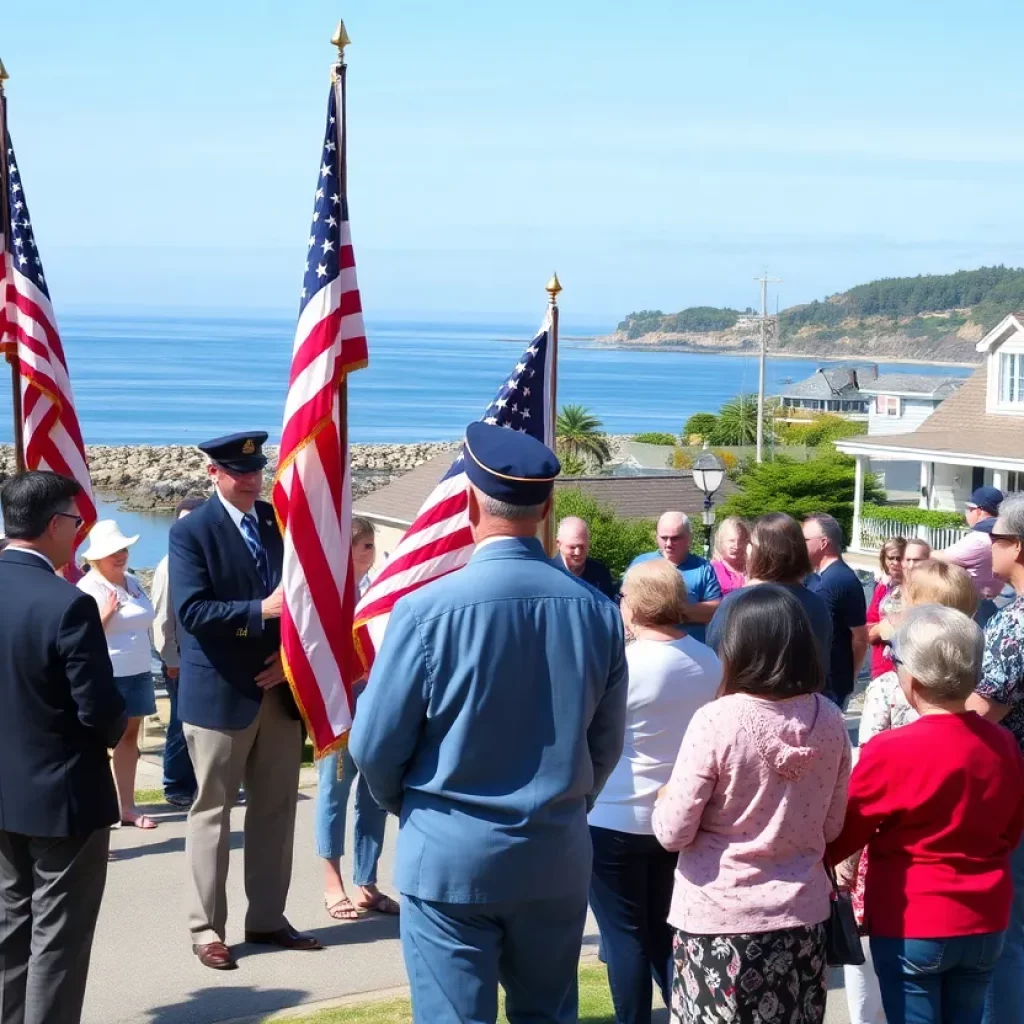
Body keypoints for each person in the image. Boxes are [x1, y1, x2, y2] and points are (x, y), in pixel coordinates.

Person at [350, 422, 628, 1024]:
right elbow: (605, 745)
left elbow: (373, 745)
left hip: (449, 851)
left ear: (470, 501)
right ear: (549, 507)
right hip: (553, 851)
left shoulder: (424, 611)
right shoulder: (599, 614)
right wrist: (565, 804)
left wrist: (412, 805)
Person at [653, 585, 850, 1024]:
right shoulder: (832, 720)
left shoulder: (717, 720)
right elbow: (832, 824)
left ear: (737, 646)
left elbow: (672, 832)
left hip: (719, 920)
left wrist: (665, 797)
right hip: (802, 917)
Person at [169, 432, 320, 971]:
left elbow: (306, 600)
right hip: (219, 696)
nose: (253, 479)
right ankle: (206, 929)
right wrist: (262, 610)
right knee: (211, 814)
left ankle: (268, 917)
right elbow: (192, 613)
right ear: (214, 474)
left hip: (277, 692)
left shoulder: (277, 524)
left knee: (276, 812)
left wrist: (290, 661)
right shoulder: (192, 532)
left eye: (258, 469)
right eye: (240, 471)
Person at [830, 605, 1024, 1024]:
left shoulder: (892, 750)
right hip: (986, 916)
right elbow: (1011, 829)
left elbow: (845, 833)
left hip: (913, 919)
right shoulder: (1004, 745)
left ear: (911, 679)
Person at [0, 471, 127, 1024]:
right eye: (76, 521)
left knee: (9, 928)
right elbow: (99, 710)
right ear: (54, 525)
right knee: (58, 941)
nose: (79, 532)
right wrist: (116, 727)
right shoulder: (67, 604)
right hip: (65, 797)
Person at [842, 559, 978, 1024]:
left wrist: (835, 860)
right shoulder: (998, 742)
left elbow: (858, 811)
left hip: (912, 905)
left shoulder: (888, 709)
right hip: (983, 912)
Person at [589, 558, 721, 1024]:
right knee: (667, 935)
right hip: (681, 816)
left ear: (639, 605)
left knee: (624, 937)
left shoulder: (623, 662)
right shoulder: (709, 661)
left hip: (614, 815)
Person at [316, 518, 397, 920]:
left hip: (375, 698)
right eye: (365, 545)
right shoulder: (330, 594)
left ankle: (366, 881)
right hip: (339, 701)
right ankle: (333, 882)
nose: (371, 552)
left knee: (374, 793)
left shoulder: (379, 590)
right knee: (335, 789)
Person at [965, 492, 1024, 1024]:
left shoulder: (1013, 626)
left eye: (999, 539)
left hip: (1015, 796)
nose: (991, 548)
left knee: (1007, 936)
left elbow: (977, 716)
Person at [77, 519, 158, 830]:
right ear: (96, 557)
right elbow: (81, 634)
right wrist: (107, 612)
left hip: (139, 669)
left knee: (129, 737)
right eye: (113, 551)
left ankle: (127, 807)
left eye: (123, 549)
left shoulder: (133, 582)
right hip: (108, 673)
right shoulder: (87, 587)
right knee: (100, 741)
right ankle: (99, 808)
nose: (121, 555)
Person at [705, 513, 833, 672]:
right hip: (806, 694)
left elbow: (715, 659)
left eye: (750, 543)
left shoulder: (736, 602)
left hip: (748, 693)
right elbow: (822, 666)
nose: (746, 549)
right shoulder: (816, 604)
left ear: (762, 551)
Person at [151, 497, 205, 807]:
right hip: (181, 660)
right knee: (180, 722)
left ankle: (202, 783)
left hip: (205, 659)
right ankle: (175, 784)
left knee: (204, 724)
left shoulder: (206, 557)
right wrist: (171, 659)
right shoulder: (169, 564)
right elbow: (162, 618)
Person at [628, 511, 722, 645]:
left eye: (675, 538)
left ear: (689, 538)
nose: (668, 543)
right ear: (656, 537)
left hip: (691, 652)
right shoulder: (640, 564)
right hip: (648, 648)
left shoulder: (703, 568)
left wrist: (667, 612)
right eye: (663, 537)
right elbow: (625, 604)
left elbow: (714, 610)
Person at [804, 513, 868, 707]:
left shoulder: (839, 580)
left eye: (805, 540)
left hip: (831, 686)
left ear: (823, 543)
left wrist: (851, 676)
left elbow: (859, 637)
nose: (800, 545)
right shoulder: (818, 577)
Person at [935, 485, 1004, 627]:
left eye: (969, 509)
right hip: (995, 601)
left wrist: (924, 551)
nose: (967, 513)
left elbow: (944, 557)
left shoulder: (979, 538)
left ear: (978, 511)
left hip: (977, 606)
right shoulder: (1000, 533)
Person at [866, 537, 906, 679]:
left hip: (901, 667)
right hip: (880, 665)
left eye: (900, 558)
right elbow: (870, 629)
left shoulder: (912, 589)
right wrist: (886, 626)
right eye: (891, 558)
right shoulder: (882, 587)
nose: (895, 563)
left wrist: (882, 629)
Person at [554, 515, 617, 599]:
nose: (578, 552)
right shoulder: (549, 572)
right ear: (558, 544)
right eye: (572, 547)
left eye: (582, 546)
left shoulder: (600, 573)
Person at [710, 515, 748, 595]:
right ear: (720, 541)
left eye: (741, 540)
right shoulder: (714, 569)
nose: (736, 546)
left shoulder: (750, 566)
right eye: (731, 541)